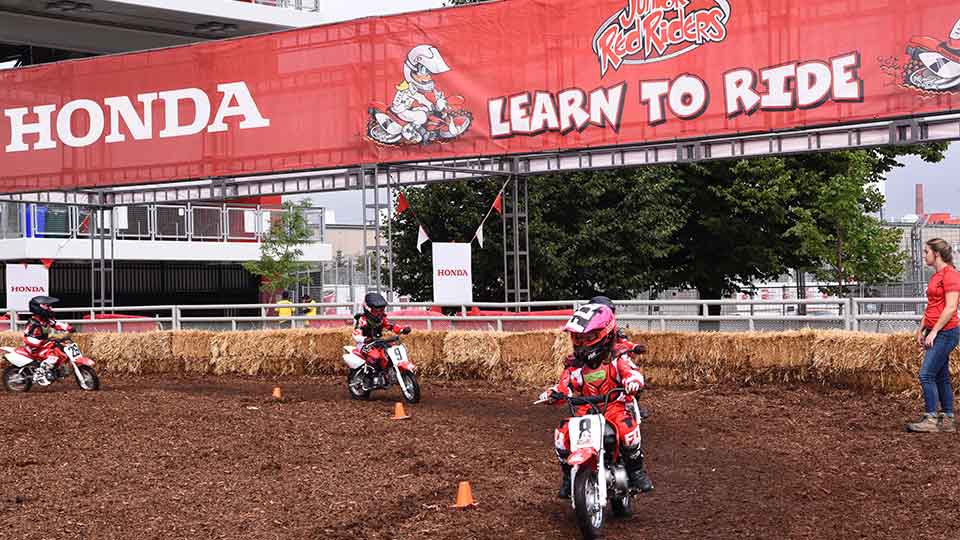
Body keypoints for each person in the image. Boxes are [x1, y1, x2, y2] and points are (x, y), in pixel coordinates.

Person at [540, 303, 653, 499]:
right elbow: (564, 385)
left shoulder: (617, 358)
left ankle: (636, 472)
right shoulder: (574, 366)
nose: (583, 343)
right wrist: (554, 394)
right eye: (578, 339)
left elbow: (631, 372)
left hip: (614, 406)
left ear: (605, 334)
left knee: (627, 428)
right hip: (585, 409)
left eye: (588, 338)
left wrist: (633, 381)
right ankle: (568, 477)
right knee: (561, 433)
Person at [907, 238, 960, 433]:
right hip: (935, 330)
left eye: (926, 252)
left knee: (926, 374)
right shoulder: (936, 276)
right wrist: (922, 328)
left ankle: (931, 418)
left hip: (946, 332)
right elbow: (933, 306)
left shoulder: (951, 275)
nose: (924, 255)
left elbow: (951, 307)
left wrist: (935, 331)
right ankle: (947, 419)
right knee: (940, 376)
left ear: (936, 254)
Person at [353, 292, 411, 384]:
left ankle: (388, 372)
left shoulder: (382, 318)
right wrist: (364, 339)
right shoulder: (362, 320)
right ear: (368, 309)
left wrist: (402, 329)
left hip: (378, 342)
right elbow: (356, 334)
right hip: (364, 344)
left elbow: (391, 326)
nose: (380, 313)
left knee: (390, 352)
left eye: (382, 310)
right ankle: (370, 376)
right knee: (375, 356)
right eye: (376, 310)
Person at [22, 295, 72, 385]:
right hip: (33, 348)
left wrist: (68, 327)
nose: (50, 308)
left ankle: (54, 371)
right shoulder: (33, 323)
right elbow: (27, 338)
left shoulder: (46, 320)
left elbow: (56, 324)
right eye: (47, 306)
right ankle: (40, 375)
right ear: (38, 307)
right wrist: (42, 342)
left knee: (60, 351)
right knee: (53, 357)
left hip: (43, 345)